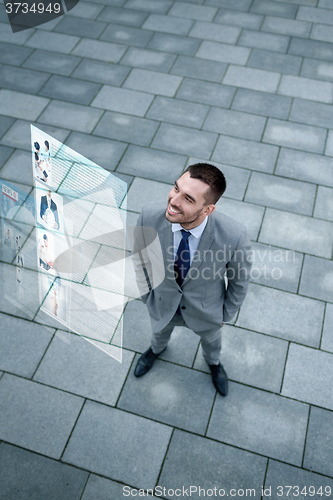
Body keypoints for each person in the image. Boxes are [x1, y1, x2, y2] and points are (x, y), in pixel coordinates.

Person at [133, 163, 252, 396]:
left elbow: (239, 281)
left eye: (188, 199)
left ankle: (214, 364)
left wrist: (225, 314)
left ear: (207, 210)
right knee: (159, 333)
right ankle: (156, 350)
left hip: (207, 311)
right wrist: (147, 297)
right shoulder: (149, 216)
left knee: (212, 342)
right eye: (176, 188)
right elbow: (139, 259)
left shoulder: (234, 236)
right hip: (163, 302)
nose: (174, 201)